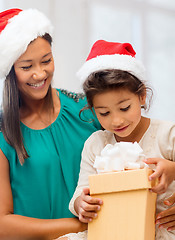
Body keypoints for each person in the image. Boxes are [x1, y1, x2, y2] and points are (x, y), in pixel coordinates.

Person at [0, 8, 101, 239]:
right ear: (10, 72)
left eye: (46, 61)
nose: (40, 74)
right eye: (27, 67)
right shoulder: (2, 132)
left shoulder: (85, 109)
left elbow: (138, 156)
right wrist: (78, 226)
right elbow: (2, 225)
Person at [67, 40, 175, 240]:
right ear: (92, 110)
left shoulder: (167, 135)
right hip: (112, 231)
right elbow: (80, 193)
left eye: (124, 108)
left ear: (142, 96)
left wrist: (173, 169)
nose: (116, 120)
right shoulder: (96, 144)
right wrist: (80, 204)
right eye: (104, 113)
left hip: (162, 231)